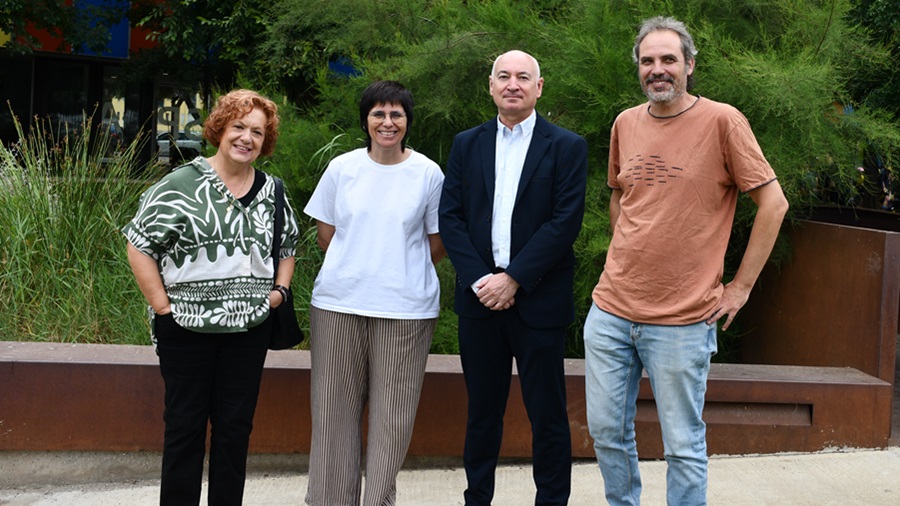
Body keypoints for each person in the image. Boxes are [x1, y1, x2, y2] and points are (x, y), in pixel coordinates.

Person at [583, 16, 789, 506]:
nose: (658, 69)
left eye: (668, 59)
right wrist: (632, 251)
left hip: (682, 320)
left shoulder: (723, 121)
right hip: (611, 311)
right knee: (607, 434)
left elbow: (774, 204)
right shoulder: (625, 123)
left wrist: (739, 288)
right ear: (638, 67)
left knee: (683, 446)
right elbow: (620, 196)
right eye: (648, 60)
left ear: (689, 65)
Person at [123, 89, 299, 505]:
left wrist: (278, 293)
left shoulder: (273, 190)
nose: (246, 138)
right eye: (238, 126)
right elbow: (139, 244)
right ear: (220, 129)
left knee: (235, 430)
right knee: (184, 429)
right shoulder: (180, 185)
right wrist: (163, 309)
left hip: (249, 329)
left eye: (257, 132)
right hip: (185, 329)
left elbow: (287, 247)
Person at [439, 50, 588, 506]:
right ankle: (477, 498)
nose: (513, 84)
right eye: (504, 76)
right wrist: (483, 279)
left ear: (539, 87)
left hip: (538, 301)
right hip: (480, 300)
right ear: (490, 86)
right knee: (482, 415)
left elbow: (564, 223)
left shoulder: (565, 145)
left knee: (547, 415)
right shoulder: (467, 143)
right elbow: (451, 218)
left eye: (524, 77)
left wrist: (515, 279)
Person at [303, 80, 445, 506]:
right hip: (338, 305)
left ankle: (378, 501)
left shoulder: (428, 173)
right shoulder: (342, 168)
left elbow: (436, 242)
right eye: (378, 114)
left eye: (396, 114)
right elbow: (325, 235)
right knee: (332, 416)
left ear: (407, 121)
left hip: (406, 310)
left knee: (392, 420)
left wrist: (398, 268)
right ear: (365, 120)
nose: (387, 122)